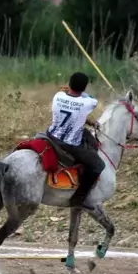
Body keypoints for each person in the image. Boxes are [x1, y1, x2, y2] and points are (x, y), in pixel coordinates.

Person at [47, 72, 105, 210]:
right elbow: (88, 100)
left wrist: (90, 121)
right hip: (69, 143)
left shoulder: (58, 96)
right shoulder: (88, 102)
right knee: (98, 165)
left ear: (69, 83)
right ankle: (79, 198)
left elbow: (72, 109)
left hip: (52, 134)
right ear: (84, 88)